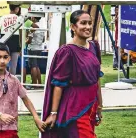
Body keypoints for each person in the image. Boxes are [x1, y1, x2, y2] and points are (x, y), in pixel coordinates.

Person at [41, 10, 103, 138]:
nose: (88, 27)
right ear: (73, 27)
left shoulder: (93, 46)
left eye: (90, 23)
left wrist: (100, 105)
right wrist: (53, 112)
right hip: (75, 105)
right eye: (83, 23)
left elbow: (96, 79)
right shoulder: (67, 51)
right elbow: (59, 84)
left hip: (91, 104)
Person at [0, 43, 46, 138]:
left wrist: (36, 117)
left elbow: (26, 99)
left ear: (9, 59)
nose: (2, 61)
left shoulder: (14, 80)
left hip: (10, 128)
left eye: (5, 57)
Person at [27, 17, 44, 87]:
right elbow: (43, 40)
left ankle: (34, 84)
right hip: (39, 48)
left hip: (32, 48)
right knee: (37, 66)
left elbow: (29, 41)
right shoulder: (42, 26)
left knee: (33, 66)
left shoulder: (33, 27)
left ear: (33, 18)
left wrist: (25, 41)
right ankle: (39, 83)